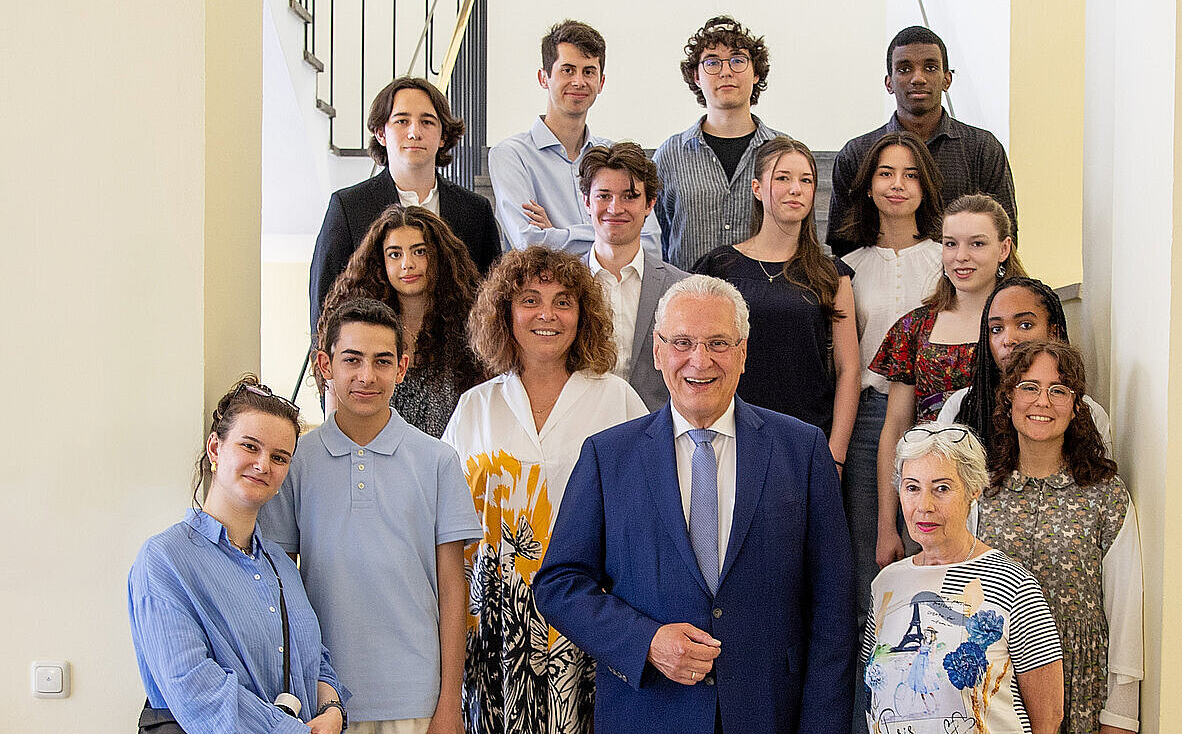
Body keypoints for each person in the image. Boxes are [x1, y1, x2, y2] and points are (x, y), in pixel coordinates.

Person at [534, 275, 855, 734]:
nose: (699, 360)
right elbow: (559, 584)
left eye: (718, 343)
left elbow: (834, 608)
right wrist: (646, 641)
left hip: (770, 714)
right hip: (646, 714)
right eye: (682, 342)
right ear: (659, 353)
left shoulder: (801, 451)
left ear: (743, 353)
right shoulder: (609, 456)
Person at [442, 247, 647, 734]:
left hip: (588, 621)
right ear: (505, 313)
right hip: (494, 630)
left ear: (584, 315)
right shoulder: (476, 407)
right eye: (530, 299)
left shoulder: (616, 398)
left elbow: (649, 514)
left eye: (563, 301)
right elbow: (444, 523)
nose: (546, 315)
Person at [260, 298, 481, 734]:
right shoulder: (295, 461)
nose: (366, 376)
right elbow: (277, 586)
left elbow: (454, 590)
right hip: (322, 701)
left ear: (402, 367)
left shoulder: (438, 461)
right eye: (352, 360)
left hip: (417, 698)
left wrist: (450, 703)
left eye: (382, 361)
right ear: (325, 364)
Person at [129, 376, 348, 734]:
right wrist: (292, 730)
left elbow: (315, 661)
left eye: (280, 457)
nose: (264, 465)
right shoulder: (165, 560)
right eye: (250, 447)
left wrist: (333, 710)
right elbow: (195, 687)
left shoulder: (282, 566)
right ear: (215, 449)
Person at [978, 341, 1143, 733]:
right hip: (994, 686)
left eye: (1058, 390)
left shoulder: (1105, 493)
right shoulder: (979, 492)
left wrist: (1121, 716)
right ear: (1008, 399)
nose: (1043, 402)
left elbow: (1125, 611)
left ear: (1076, 406)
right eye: (1029, 387)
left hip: (1080, 687)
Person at [864, 421, 1063, 734]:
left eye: (942, 488)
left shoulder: (1013, 583)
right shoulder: (885, 584)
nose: (923, 506)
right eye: (912, 487)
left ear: (973, 491)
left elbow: (1049, 718)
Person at [873, 193, 1026, 566]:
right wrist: (886, 525)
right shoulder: (915, 327)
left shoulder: (1025, 325)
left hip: (1008, 493)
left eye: (977, 243)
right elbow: (895, 428)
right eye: (950, 244)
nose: (961, 256)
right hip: (931, 499)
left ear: (1004, 248)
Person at [692, 137, 858, 461]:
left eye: (805, 180)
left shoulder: (831, 274)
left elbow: (848, 369)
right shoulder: (719, 266)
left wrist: (835, 454)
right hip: (728, 436)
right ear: (757, 187)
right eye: (783, 178)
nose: (795, 189)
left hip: (806, 438)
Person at [836, 131, 945, 624]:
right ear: (868, 186)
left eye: (910, 174)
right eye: (885, 173)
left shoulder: (949, 258)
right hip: (870, 423)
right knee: (872, 564)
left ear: (926, 186)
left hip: (942, 420)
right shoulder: (847, 269)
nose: (897, 185)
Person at [309, 76, 501, 337]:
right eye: (402, 121)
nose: (414, 132)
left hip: (460, 364)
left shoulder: (475, 210)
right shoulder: (348, 207)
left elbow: (492, 300)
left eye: (427, 122)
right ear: (381, 133)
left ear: (443, 136)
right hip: (374, 365)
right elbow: (324, 303)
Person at [827, 26, 1017, 251]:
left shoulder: (982, 149)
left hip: (963, 282)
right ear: (889, 83)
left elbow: (1006, 235)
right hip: (877, 282)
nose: (918, 78)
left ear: (947, 80)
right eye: (905, 69)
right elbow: (843, 242)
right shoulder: (857, 154)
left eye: (930, 67)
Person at [489, 20, 663, 258]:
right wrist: (615, 233)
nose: (579, 81)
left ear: (601, 82)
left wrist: (557, 233)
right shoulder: (511, 156)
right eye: (568, 70)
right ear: (544, 78)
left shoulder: (615, 156)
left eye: (589, 71)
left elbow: (651, 246)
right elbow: (529, 243)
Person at [315, 204, 485, 436]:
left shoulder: (471, 332)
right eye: (395, 254)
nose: (407, 264)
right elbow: (335, 426)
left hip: (450, 463)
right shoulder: (357, 330)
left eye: (419, 251)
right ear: (380, 262)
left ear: (439, 256)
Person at [653, 15, 784, 270]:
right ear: (697, 76)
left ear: (756, 73)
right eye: (712, 62)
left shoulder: (782, 152)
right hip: (688, 299)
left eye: (737, 60)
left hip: (766, 301)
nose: (726, 71)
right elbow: (658, 240)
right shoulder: (670, 155)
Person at [937, 277, 1112, 451]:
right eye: (996, 329)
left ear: (1054, 333)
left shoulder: (1090, 414)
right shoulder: (960, 406)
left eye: (1025, 325)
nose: (1008, 340)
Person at [577, 141, 687, 410]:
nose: (615, 208)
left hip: (656, 432)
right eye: (604, 196)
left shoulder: (681, 288)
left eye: (629, 196)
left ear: (650, 203)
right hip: (579, 432)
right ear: (587, 202)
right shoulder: (563, 286)